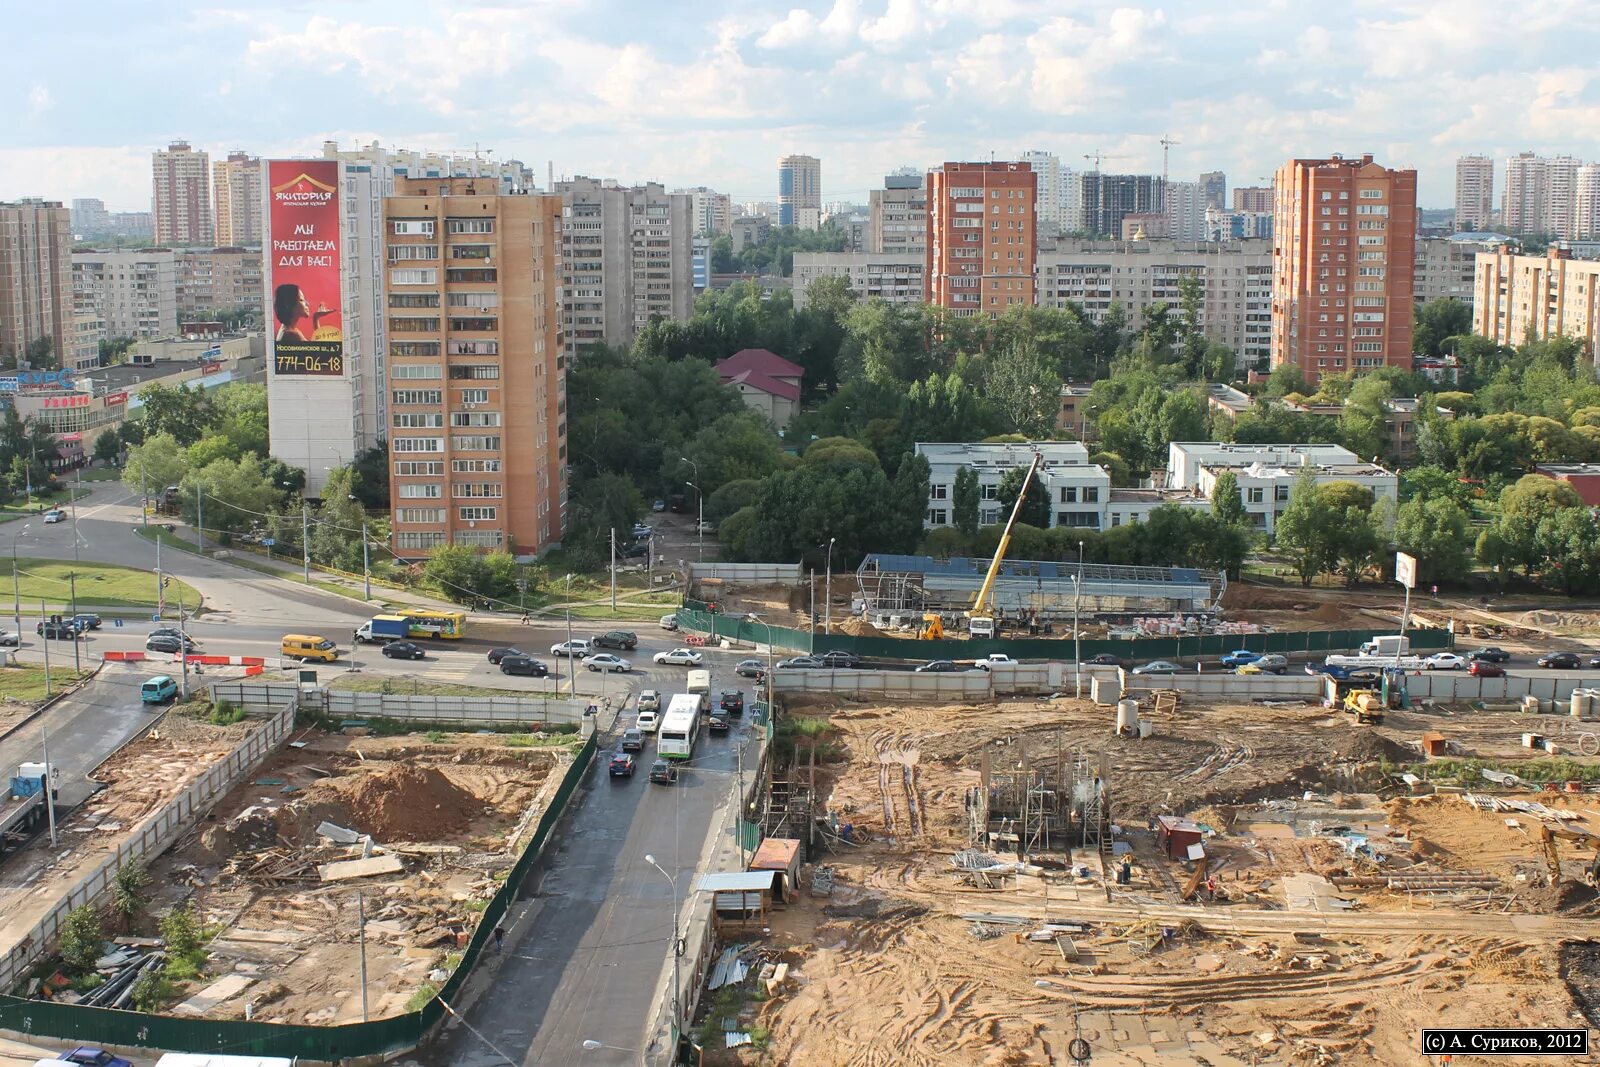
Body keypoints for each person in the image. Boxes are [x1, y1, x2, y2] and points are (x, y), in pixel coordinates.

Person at [273, 283, 339, 342]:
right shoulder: (292, 335)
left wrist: (316, 317)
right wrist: (315, 318)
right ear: (289, 305)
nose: (307, 303)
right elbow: (319, 350)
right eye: (301, 300)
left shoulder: (286, 329)